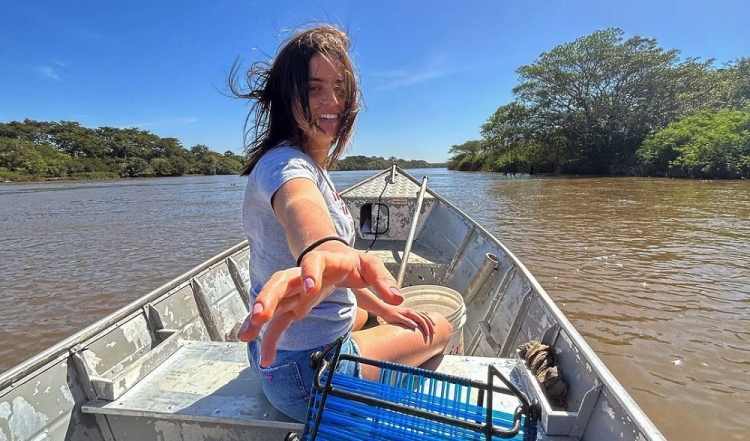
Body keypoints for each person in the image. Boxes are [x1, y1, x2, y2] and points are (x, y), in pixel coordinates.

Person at [230, 25, 452, 422]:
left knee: (374, 313)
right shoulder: (287, 167)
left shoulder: (310, 164)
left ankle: (377, 340)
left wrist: (383, 306)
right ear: (287, 96)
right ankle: (377, 398)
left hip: (273, 356)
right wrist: (321, 249)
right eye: (315, 88)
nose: (332, 100)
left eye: (340, 87)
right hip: (309, 378)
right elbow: (302, 209)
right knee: (439, 326)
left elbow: (334, 280)